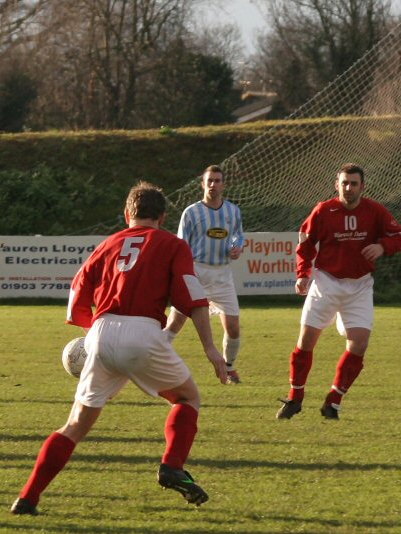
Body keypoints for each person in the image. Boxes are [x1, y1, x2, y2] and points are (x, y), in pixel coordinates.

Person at [10, 182, 227, 515]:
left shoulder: (108, 244)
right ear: (163, 217)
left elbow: (77, 293)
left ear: (128, 214)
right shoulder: (173, 244)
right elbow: (193, 298)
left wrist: (93, 334)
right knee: (187, 398)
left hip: (100, 331)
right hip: (142, 332)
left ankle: (27, 499)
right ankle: (172, 466)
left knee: (75, 425)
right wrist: (211, 349)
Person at [276, 163, 401, 421]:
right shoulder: (324, 210)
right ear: (337, 185)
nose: (348, 188)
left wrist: (383, 246)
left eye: (354, 183)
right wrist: (302, 274)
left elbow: (398, 235)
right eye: (344, 183)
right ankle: (295, 397)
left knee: (359, 343)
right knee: (306, 341)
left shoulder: (375, 211)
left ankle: (333, 402)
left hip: (360, 285)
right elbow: (306, 243)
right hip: (327, 282)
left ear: (362, 187)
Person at [164, 165, 245, 384]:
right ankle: (153, 358)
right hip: (197, 272)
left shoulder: (233, 211)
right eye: (209, 181)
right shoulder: (191, 212)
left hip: (222, 274)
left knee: (234, 326)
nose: (213, 184)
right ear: (202, 184)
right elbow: (181, 244)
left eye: (217, 180)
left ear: (223, 184)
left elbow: (238, 236)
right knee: (176, 321)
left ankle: (229, 367)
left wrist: (237, 247)